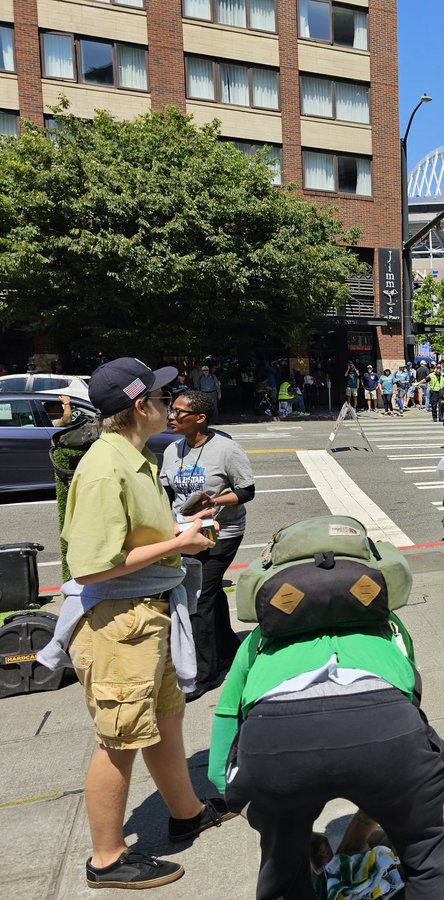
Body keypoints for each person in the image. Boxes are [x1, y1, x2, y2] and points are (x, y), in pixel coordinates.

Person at [209, 521, 444, 900]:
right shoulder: (389, 627)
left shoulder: (258, 642)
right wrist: (365, 826)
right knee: (427, 856)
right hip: (387, 730)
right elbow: (405, 716)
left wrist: (289, 832)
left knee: (282, 874)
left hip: (276, 745)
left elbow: (220, 770)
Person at [56, 359, 231, 889]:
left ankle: (185, 810)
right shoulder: (106, 467)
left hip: (146, 613)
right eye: (162, 395)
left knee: (165, 721)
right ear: (140, 407)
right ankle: (107, 859)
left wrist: (182, 525)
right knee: (121, 738)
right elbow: (90, 563)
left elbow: (136, 533)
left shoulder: (133, 457)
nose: (170, 401)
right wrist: (179, 544)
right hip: (118, 622)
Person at [160, 390, 255, 700]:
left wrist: (213, 501)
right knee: (208, 595)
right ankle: (227, 648)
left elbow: (246, 491)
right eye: (170, 411)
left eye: (178, 412)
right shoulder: (173, 450)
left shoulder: (226, 450)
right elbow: (166, 490)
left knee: (198, 598)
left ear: (199, 418)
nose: (170, 416)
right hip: (184, 535)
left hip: (221, 533)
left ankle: (204, 673)